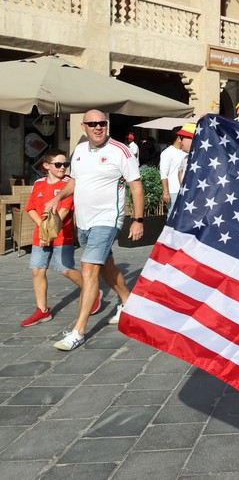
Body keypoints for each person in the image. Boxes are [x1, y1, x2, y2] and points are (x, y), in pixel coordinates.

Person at [45, 109, 145, 351]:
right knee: (106, 268)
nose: (98, 127)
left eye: (102, 123)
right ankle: (130, 304)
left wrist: (138, 219)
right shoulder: (79, 150)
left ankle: (78, 331)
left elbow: (136, 186)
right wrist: (57, 197)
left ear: (107, 125)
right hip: (85, 222)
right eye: (92, 124)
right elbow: (74, 181)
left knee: (89, 270)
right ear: (84, 127)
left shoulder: (120, 151)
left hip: (107, 219)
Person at [20, 150, 101, 327]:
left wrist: (47, 232)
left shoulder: (68, 184)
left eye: (65, 164)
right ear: (46, 166)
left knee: (65, 270)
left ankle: (92, 291)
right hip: (41, 235)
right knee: (37, 271)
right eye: (58, 164)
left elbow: (63, 212)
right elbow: (30, 208)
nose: (63, 168)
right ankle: (42, 310)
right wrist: (43, 229)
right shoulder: (38, 183)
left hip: (62, 236)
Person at [160, 125, 191, 215]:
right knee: (172, 216)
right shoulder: (167, 153)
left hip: (185, 190)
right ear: (178, 138)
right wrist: (166, 192)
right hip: (173, 191)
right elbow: (164, 174)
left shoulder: (186, 151)